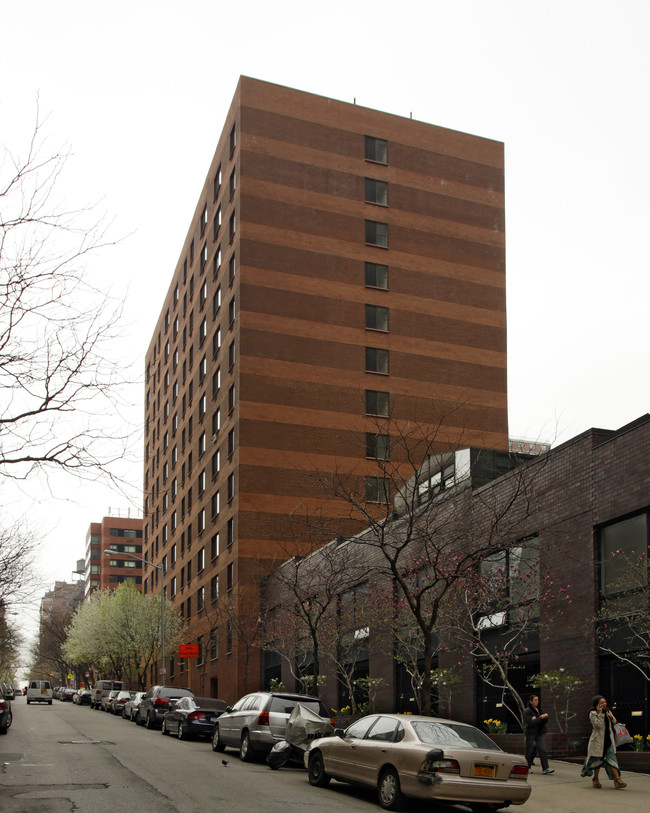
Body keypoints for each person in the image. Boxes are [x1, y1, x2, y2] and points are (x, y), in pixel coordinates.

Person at [580, 695, 627, 789]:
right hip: (598, 741)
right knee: (597, 760)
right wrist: (600, 714)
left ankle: (617, 780)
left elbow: (614, 722)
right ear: (596, 704)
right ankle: (595, 779)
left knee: (612, 759)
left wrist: (610, 717)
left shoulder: (608, 711)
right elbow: (597, 726)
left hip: (608, 741)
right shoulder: (593, 713)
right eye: (601, 703)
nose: (604, 704)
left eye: (605, 702)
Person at [524, 694, 554, 774]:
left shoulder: (538, 710)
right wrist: (540, 718)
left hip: (539, 732)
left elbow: (543, 721)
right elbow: (530, 723)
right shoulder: (528, 711)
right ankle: (528, 766)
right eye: (535, 700)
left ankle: (545, 767)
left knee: (542, 749)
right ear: (531, 701)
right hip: (531, 733)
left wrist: (544, 717)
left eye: (537, 700)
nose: (537, 702)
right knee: (529, 750)